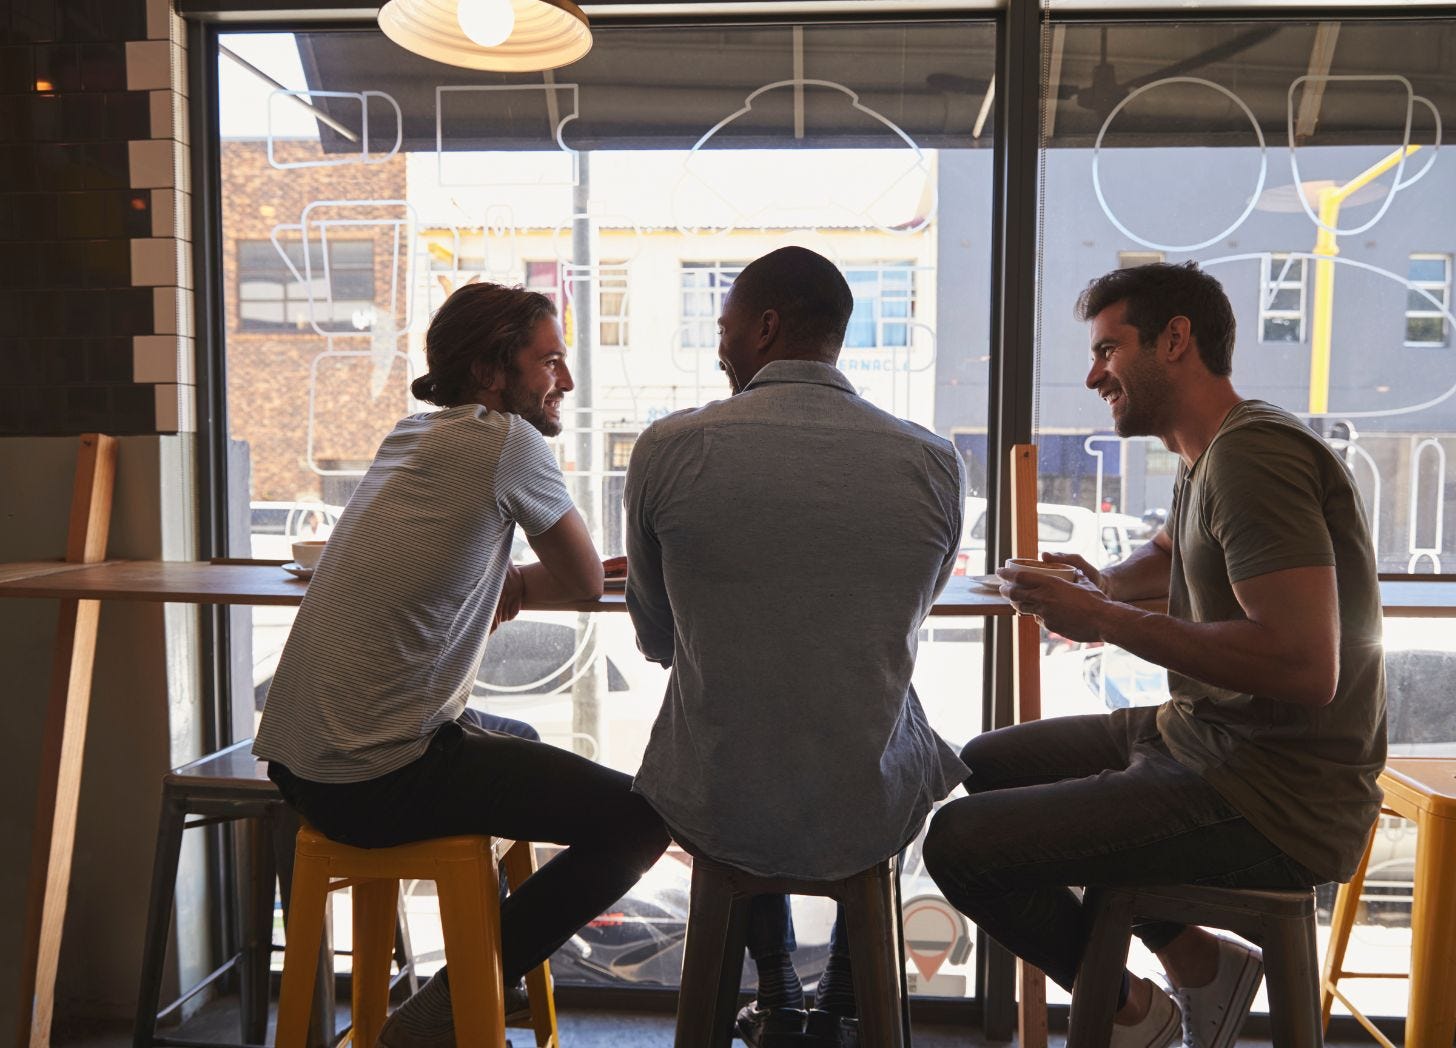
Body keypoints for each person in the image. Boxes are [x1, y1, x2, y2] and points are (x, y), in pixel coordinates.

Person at [922, 261, 1386, 1048]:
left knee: (958, 845)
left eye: (1109, 349)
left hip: (1275, 794)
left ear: (1177, 341)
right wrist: (1099, 582)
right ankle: (1201, 963)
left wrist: (1099, 616)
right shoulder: (1205, 456)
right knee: (985, 762)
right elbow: (1169, 561)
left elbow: (1305, 666)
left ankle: (1134, 1016)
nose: (1094, 374)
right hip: (1201, 739)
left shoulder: (1253, 458)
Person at [252, 282, 670, 1048]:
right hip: (375, 777)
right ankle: (454, 1002)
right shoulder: (510, 443)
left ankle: (483, 983)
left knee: (517, 737)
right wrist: (556, 577)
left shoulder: (414, 436)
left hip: (300, 761)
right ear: (490, 370)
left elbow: (485, 565)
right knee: (640, 820)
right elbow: (580, 583)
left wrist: (510, 581)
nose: (566, 381)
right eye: (550, 360)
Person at [623, 246, 970, 1047]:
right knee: (870, 717)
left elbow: (654, 635)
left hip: (721, 792)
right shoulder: (931, 461)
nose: (720, 345)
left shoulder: (670, 447)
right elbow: (905, 616)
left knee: (741, 703)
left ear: (766, 327)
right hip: (863, 793)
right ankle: (847, 996)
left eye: (726, 326)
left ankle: (779, 991)